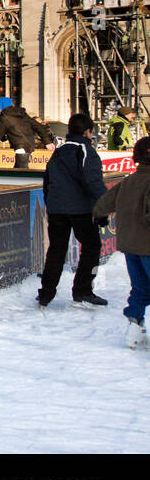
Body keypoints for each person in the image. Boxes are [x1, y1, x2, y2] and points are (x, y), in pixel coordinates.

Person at [39, 113, 108, 307]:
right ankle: (83, 290)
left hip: (57, 209)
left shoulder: (59, 151)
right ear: (87, 132)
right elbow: (93, 181)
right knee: (92, 246)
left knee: (56, 250)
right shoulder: (86, 151)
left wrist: (50, 203)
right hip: (81, 210)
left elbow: (47, 180)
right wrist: (104, 207)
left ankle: (46, 292)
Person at [94, 136, 150, 347]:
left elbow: (103, 204)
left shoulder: (128, 181)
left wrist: (99, 214)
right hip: (147, 246)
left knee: (140, 288)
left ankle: (134, 329)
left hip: (129, 246)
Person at [0, 96, 54, 169]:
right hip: (29, 144)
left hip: (20, 147)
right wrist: (47, 142)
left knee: (21, 170)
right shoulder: (22, 115)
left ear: (3, 106)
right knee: (18, 168)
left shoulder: (4, 118)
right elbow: (39, 127)